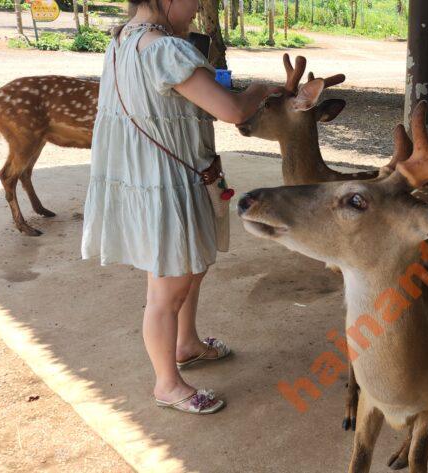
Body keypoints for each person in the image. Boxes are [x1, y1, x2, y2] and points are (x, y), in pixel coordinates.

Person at [82, 0, 280, 414]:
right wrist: (260, 90)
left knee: (191, 266)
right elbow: (231, 110)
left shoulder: (122, 40)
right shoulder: (164, 49)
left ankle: (186, 344)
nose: (198, 8)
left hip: (168, 175)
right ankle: (167, 385)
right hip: (167, 182)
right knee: (166, 291)